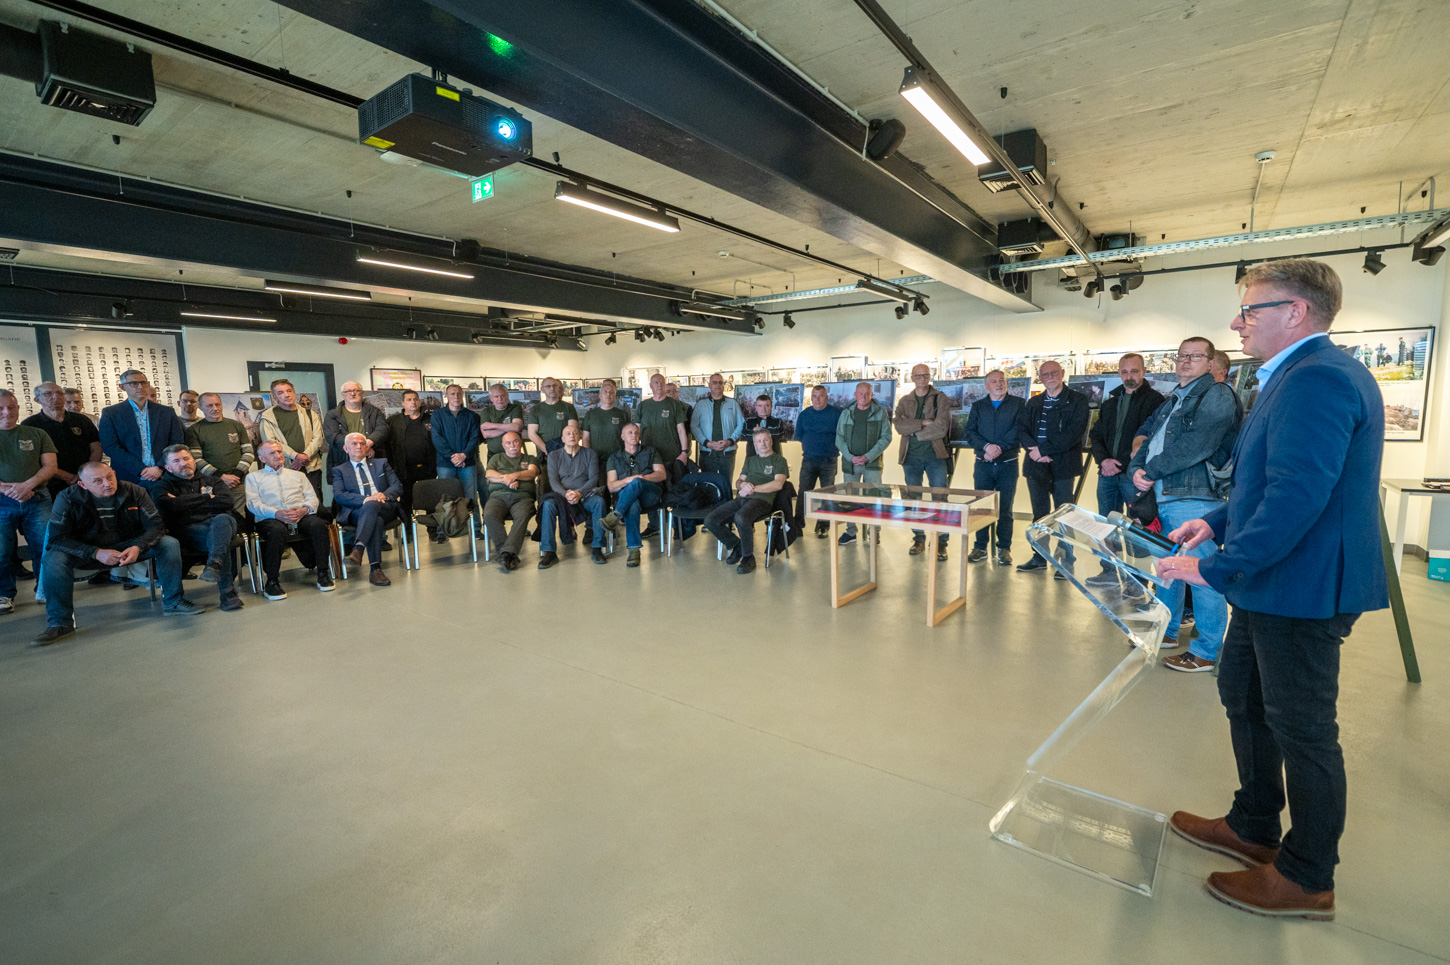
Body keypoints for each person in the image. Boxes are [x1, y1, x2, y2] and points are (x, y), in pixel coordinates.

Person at [1158, 259, 1387, 922]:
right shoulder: (1291, 375)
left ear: (1296, 311)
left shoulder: (1318, 377)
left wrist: (1218, 567)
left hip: (1304, 585)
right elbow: (1264, 481)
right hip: (1275, 582)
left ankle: (1308, 876)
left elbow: (1297, 496)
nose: (1237, 323)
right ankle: (1254, 823)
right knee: (1244, 695)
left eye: (1250, 310)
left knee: (1303, 728)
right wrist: (1217, 520)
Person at [1126, 337, 1241, 669]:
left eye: (1195, 356)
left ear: (1211, 363)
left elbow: (1198, 444)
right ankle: (1167, 631)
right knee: (1169, 571)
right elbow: (1147, 438)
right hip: (1164, 496)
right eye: (1181, 356)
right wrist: (1136, 470)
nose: (1186, 361)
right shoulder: (1172, 399)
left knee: (1200, 574)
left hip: (1195, 498)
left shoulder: (1218, 394)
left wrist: (1151, 470)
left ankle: (1206, 651)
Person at [38, 462, 203, 644]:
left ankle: (174, 602)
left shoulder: (134, 491)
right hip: (88, 549)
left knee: (168, 543)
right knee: (53, 558)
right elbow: (57, 538)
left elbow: (156, 525)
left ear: (115, 473)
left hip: (128, 545)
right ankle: (60, 623)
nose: (107, 483)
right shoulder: (67, 497)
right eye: (98, 481)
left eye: (110, 477)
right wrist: (95, 552)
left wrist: (138, 546)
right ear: (83, 484)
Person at [1014, 360, 1089, 574]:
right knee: (1040, 515)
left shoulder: (1077, 400)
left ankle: (1066, 562)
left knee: (1065, 515)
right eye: (1045, 374)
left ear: (1062, 373)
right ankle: (1040, 557)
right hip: (1035, 465)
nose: (1050, 377)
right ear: (1040, 378)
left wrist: (1043, 450)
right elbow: (1022, 430)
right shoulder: (1034, 402)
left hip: (1064, 465)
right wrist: (1034, 451)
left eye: (1054, 372)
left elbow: (1073, 433)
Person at [153, 444, 243, 612]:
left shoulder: (213, 480)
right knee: (221, 538)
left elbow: (227, 501)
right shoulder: (162, 486)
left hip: (219, 525)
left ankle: (214, 564)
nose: (183, 463)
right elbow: (168, 506)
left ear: (194, 461)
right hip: (189, 532)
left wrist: (184, 502)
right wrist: (208, 497)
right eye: (176, 461)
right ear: (168, 467)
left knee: (223, 520)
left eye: (186, 458)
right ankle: (228, 594)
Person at [246, 441, 334, 599]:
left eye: (279, 452)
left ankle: (323, 573)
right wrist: (276, 513)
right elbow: (253, 504)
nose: (278, 455)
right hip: (270, 518)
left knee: (318, 525)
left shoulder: (298, 475)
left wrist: (304, 509)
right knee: (277, 530)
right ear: (262, 458)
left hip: (300, 514)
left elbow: (312, 498)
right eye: (272, 453)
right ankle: (272, 581)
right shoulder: (253, 478)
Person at [1087, 354, 1165, 523]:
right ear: (1119, 373)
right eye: (1124, 372)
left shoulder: (1156, 402)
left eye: (1134, 371)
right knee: (1106, 525)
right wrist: (1104, 461)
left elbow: (1155, 439)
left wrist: (1123, 464)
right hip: (1107, 475)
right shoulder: (1110, 404)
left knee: (1138, 528)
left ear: (1144, 371)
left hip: (1135, 476)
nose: (1129, 376)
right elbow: (1096, 435)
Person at [1, 389, 57, 616]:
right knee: (1, 551)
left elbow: (50, 466)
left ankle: (44, 589)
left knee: (44, 547)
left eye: (11, 407)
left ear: (18, 408)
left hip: (37, 498)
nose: (7, 412)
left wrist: (27, 486)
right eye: (1, 408)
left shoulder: (37, 433)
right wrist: (10, 490)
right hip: (2, 501)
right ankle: (4, 593)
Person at [703, 427, 789, 575]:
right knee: (711, 520)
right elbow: (739, 481)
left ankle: (748, 558)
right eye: (759, 441)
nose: (763, 444)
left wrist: (752, 489)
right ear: (754, 444)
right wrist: (743, 485)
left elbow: (778, 484)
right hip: (742, 498)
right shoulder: (750, 461)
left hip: (763, 501)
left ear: (771, 441)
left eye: (765, 440)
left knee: (741, 517)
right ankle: (737, 546)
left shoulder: (779, 460)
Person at [963, 370, 1026, 565]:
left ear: (1006, 383)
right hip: (983, 464)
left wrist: (998, 448)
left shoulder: (1018, 404)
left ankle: (1004, 548)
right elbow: (970, 432)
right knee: (981, 507)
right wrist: (986, 447)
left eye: (1002, 380)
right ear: (987, 386)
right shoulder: (978, 406)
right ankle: (980, 547)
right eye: (994, 381)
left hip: (1008, 464)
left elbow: (1019, 430)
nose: (999, 384)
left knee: (1005, 508)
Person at [894, 364, 954, 559]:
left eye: (925, 375)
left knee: (940, 499)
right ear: (912, 377)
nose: (922, 378)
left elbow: (941, 427)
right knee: (914, 500)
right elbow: (899, 426)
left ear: (929, 376)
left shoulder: (940, 398)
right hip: (910, 458)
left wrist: (914, 432)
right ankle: (918, 538)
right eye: (918, 375)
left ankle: (941, 542)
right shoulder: (905, 400)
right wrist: (923, 422)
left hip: (936, 457)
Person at [332, 432, 402, 586]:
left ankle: (358, 549)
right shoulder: (340, 470)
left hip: (385, 506)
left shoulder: (381, 463)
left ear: (366, 447)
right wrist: (366, 499)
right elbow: (340, 495)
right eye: (354, 444)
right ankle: (375, 570)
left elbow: (397, 486)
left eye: (362, 443)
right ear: (346, 448)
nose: (359, 446)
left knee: (372, 506)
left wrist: (383, 494)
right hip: (357, 512)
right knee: (375, 519)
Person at [99, 368, 184, 493]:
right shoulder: (111, 413)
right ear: (122, 387)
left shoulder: (166, 412)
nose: (140, 387)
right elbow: (110, 446)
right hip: (129, 475)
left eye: (144, 383)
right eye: (134, 383)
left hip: (164, 475)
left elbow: (176, 443)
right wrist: (141, 469)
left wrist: (160, 467)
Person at [539, 424, 607, 568]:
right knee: (548, 505)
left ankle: (597, 548)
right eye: (568, 433)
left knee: (599, 502)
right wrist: (566, 494)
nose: (572, 436)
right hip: (562, 497)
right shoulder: (553, 455)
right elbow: (553, 481)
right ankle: (549, 551)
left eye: (575, 433)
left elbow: (593, 479)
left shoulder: (590, 454)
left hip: (585, 495)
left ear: (580, 436)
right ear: (562, 438)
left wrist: (579, 493)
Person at [834, 382, 892, 545]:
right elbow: (839, 438)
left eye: (867, 394)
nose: (864, 397)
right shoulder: (846, 413)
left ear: (872, 395)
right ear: (855, 395)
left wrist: (868, 456)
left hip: (872, 464)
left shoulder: (880, 412)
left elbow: (886, 437)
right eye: (860, 393)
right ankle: (851, 532)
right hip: (850, 464)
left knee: (874, 497)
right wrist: (849, 456)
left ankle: (874, 532)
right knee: (850, 497)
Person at [602, 423, 666, 568]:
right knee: (633, 504)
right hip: (628, 499)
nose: (634, 435)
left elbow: (662, 474)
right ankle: (634, 551)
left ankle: (616, 515)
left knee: (637, 482)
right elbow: (611, 486)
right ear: (622, 437)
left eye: (636, 433)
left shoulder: (651, 451)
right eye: (630, 433)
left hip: (650, 495)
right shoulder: (614, 458)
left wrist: (641, 478)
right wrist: (628, 480)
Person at [23, 382, 102, 498]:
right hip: (50, 484)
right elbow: (32, 459)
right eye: (48, 393)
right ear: (37, 399)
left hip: (86, 480)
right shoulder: (30, 425)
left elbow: (96, 448)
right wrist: (66, 476)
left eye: (60, 393)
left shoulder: (82, 420)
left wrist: (85, 473)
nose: (56, 396)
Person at [185, 392, 257, 513]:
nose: (215, 408)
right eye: (209, 405)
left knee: (240, 517)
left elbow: (249, 453)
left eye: (217, 404)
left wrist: (236, 474)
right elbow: (196, 459)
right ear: (200, 407)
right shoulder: (194, 430)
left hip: (238, 482)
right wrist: (220, 476)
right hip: (211, 484)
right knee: (217, 516)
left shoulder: (236, 425)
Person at [257, 379, 325, 499]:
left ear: (294, 393)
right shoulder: (268, 417)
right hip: (285, 468)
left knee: (315, 502)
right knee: (290, 502)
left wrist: (304, 456)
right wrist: (295, 456)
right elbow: (270, 442)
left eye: (289, 391)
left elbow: (318, 438)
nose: (286, 395)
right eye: (280, 393)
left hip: (310, 467)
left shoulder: (310, 414)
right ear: (275, 397)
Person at [483, 431, 540, 572]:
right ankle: (508, 554)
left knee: (522, 516)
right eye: (508, 443)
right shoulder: (496, 458)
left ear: (520, 442)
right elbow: (489, 474)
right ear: (503, 445)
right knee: (489, 515)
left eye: (515, 441)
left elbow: (531, 473)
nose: (512, 445)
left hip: (523, 498)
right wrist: (507, 480)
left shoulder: (530, 458)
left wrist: (514, 475)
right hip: (498, 497)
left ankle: (505, 554)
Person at [430, 384, 482, 537]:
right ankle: (442, 531)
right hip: (446, 463)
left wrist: (464, 455)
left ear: (462, 395)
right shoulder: (438, 415)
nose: (456, 396)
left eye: (459, 393)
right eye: (452, 394)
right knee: (445, 497)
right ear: (446, 395)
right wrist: (453, 457)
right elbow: (437, 438)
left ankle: (475, 529)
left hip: (468, 463)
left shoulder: (472, 416)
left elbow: (474, 438)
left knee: (470, 497)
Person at [386, 389, 439, 540]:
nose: (413, 402)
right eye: (409, 400)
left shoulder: (430, 419)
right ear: (403, 403)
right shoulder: (394, 421)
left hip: (427, 468)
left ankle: (433, 532)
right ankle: (407, 533)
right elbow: (388, 445)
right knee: (405, 502)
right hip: (404, 469)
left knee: (431, 500)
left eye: (415, 399)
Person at [793, 385, 840, 538]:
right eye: (814, 396)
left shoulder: (836, 414)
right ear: (811, 398)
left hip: (829, 460)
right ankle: (798, 525)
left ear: (826, 397)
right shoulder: (804, 415)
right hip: (809, 460)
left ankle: (823, 526)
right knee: (803, 493)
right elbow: (799, 435)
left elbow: (842, 435)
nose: (817, 399)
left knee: (827, 494)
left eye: (821, 396)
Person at [323, 381, 388, 471]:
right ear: (342, 395)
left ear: (362, 393)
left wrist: (369, 443)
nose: (352, 394)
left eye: (356, 390)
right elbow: (332, 436)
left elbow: (382, 429)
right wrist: (361, 449)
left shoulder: (375, 412)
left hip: (371, 460)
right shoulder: (332, 415)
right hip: (342, 461)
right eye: (348, 391)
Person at [689, 372, 744, 477]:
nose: (718, 385)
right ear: (709, 385)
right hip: (707, 454)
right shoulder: (701, 405)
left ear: (724, 385)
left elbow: (741, 424)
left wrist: (730, 441)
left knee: (726, 483)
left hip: (727, 453)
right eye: (715, 382)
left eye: (720, 382)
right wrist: (707, 443)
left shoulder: (733, 403)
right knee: (708, 483)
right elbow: (694, 426)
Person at [636, 373, 689, 470]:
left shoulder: (674, 404)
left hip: (671, 455)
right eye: (656, 382)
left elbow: (681, 430)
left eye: (662, 382)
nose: (659, 385)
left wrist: (684, 452)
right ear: (651, 386)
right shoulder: (643, 405)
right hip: (648, 455)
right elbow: (636, 430)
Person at [581, 378, 632, 470]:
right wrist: (587, 457)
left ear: (615, 395)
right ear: (600, 395)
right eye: (605, 392)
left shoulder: (622, 414)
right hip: (595, 460)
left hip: (618, 459)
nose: (608, 394)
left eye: (611, 392)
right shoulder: (590, 414)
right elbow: (585, 438)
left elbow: (629, 437)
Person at [526, 377, 580, 459]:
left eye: (554, 386)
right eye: (548, 386)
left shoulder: (569, 407)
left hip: (566, 455)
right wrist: (548, 451)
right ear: (542, 389)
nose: (552, 388)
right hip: (544, 455)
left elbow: (572, 431)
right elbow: (532, 434)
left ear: (558, 388)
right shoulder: (535, 409)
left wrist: (563, 452)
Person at [478, 383, 525, 457]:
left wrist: (491, 426)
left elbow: (516, 427)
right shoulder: (486, 412)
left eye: (503, 395)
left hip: (514, 454)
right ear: (491, 398)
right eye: (496, 396)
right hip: (493, 454)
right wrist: (510, 428)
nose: (500, 399)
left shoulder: (515, 408)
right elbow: (486, 434)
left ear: (507, 396)